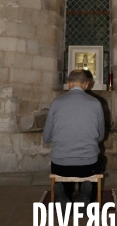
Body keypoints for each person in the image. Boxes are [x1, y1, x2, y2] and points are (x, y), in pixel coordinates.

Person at [43, 69, 105, 211]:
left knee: (64, 169)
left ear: (68, 84)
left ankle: (63, 194)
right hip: (87, 164)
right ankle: (86, 196)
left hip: (60, 164)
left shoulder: (56, 103)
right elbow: (100, 136)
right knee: (99, 161)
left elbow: (46, 137)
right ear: (86, 85)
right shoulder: (95, 103)